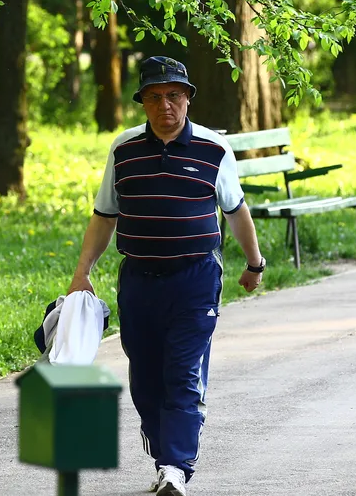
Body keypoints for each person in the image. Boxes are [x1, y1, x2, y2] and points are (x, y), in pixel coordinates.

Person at [67, 55, 266, 496]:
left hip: (195, 278)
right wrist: (82, 272)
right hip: (138, 279)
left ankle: (175, 466)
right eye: (154, 97)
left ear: (188, 98)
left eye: (174, 95)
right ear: (142, 102)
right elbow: (104, 216)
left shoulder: (214, 149)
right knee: (145, 377)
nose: (165, 106)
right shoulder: (123, 149)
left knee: (182, 372)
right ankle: (164, 456)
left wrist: (254, 264)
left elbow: (235, 211)